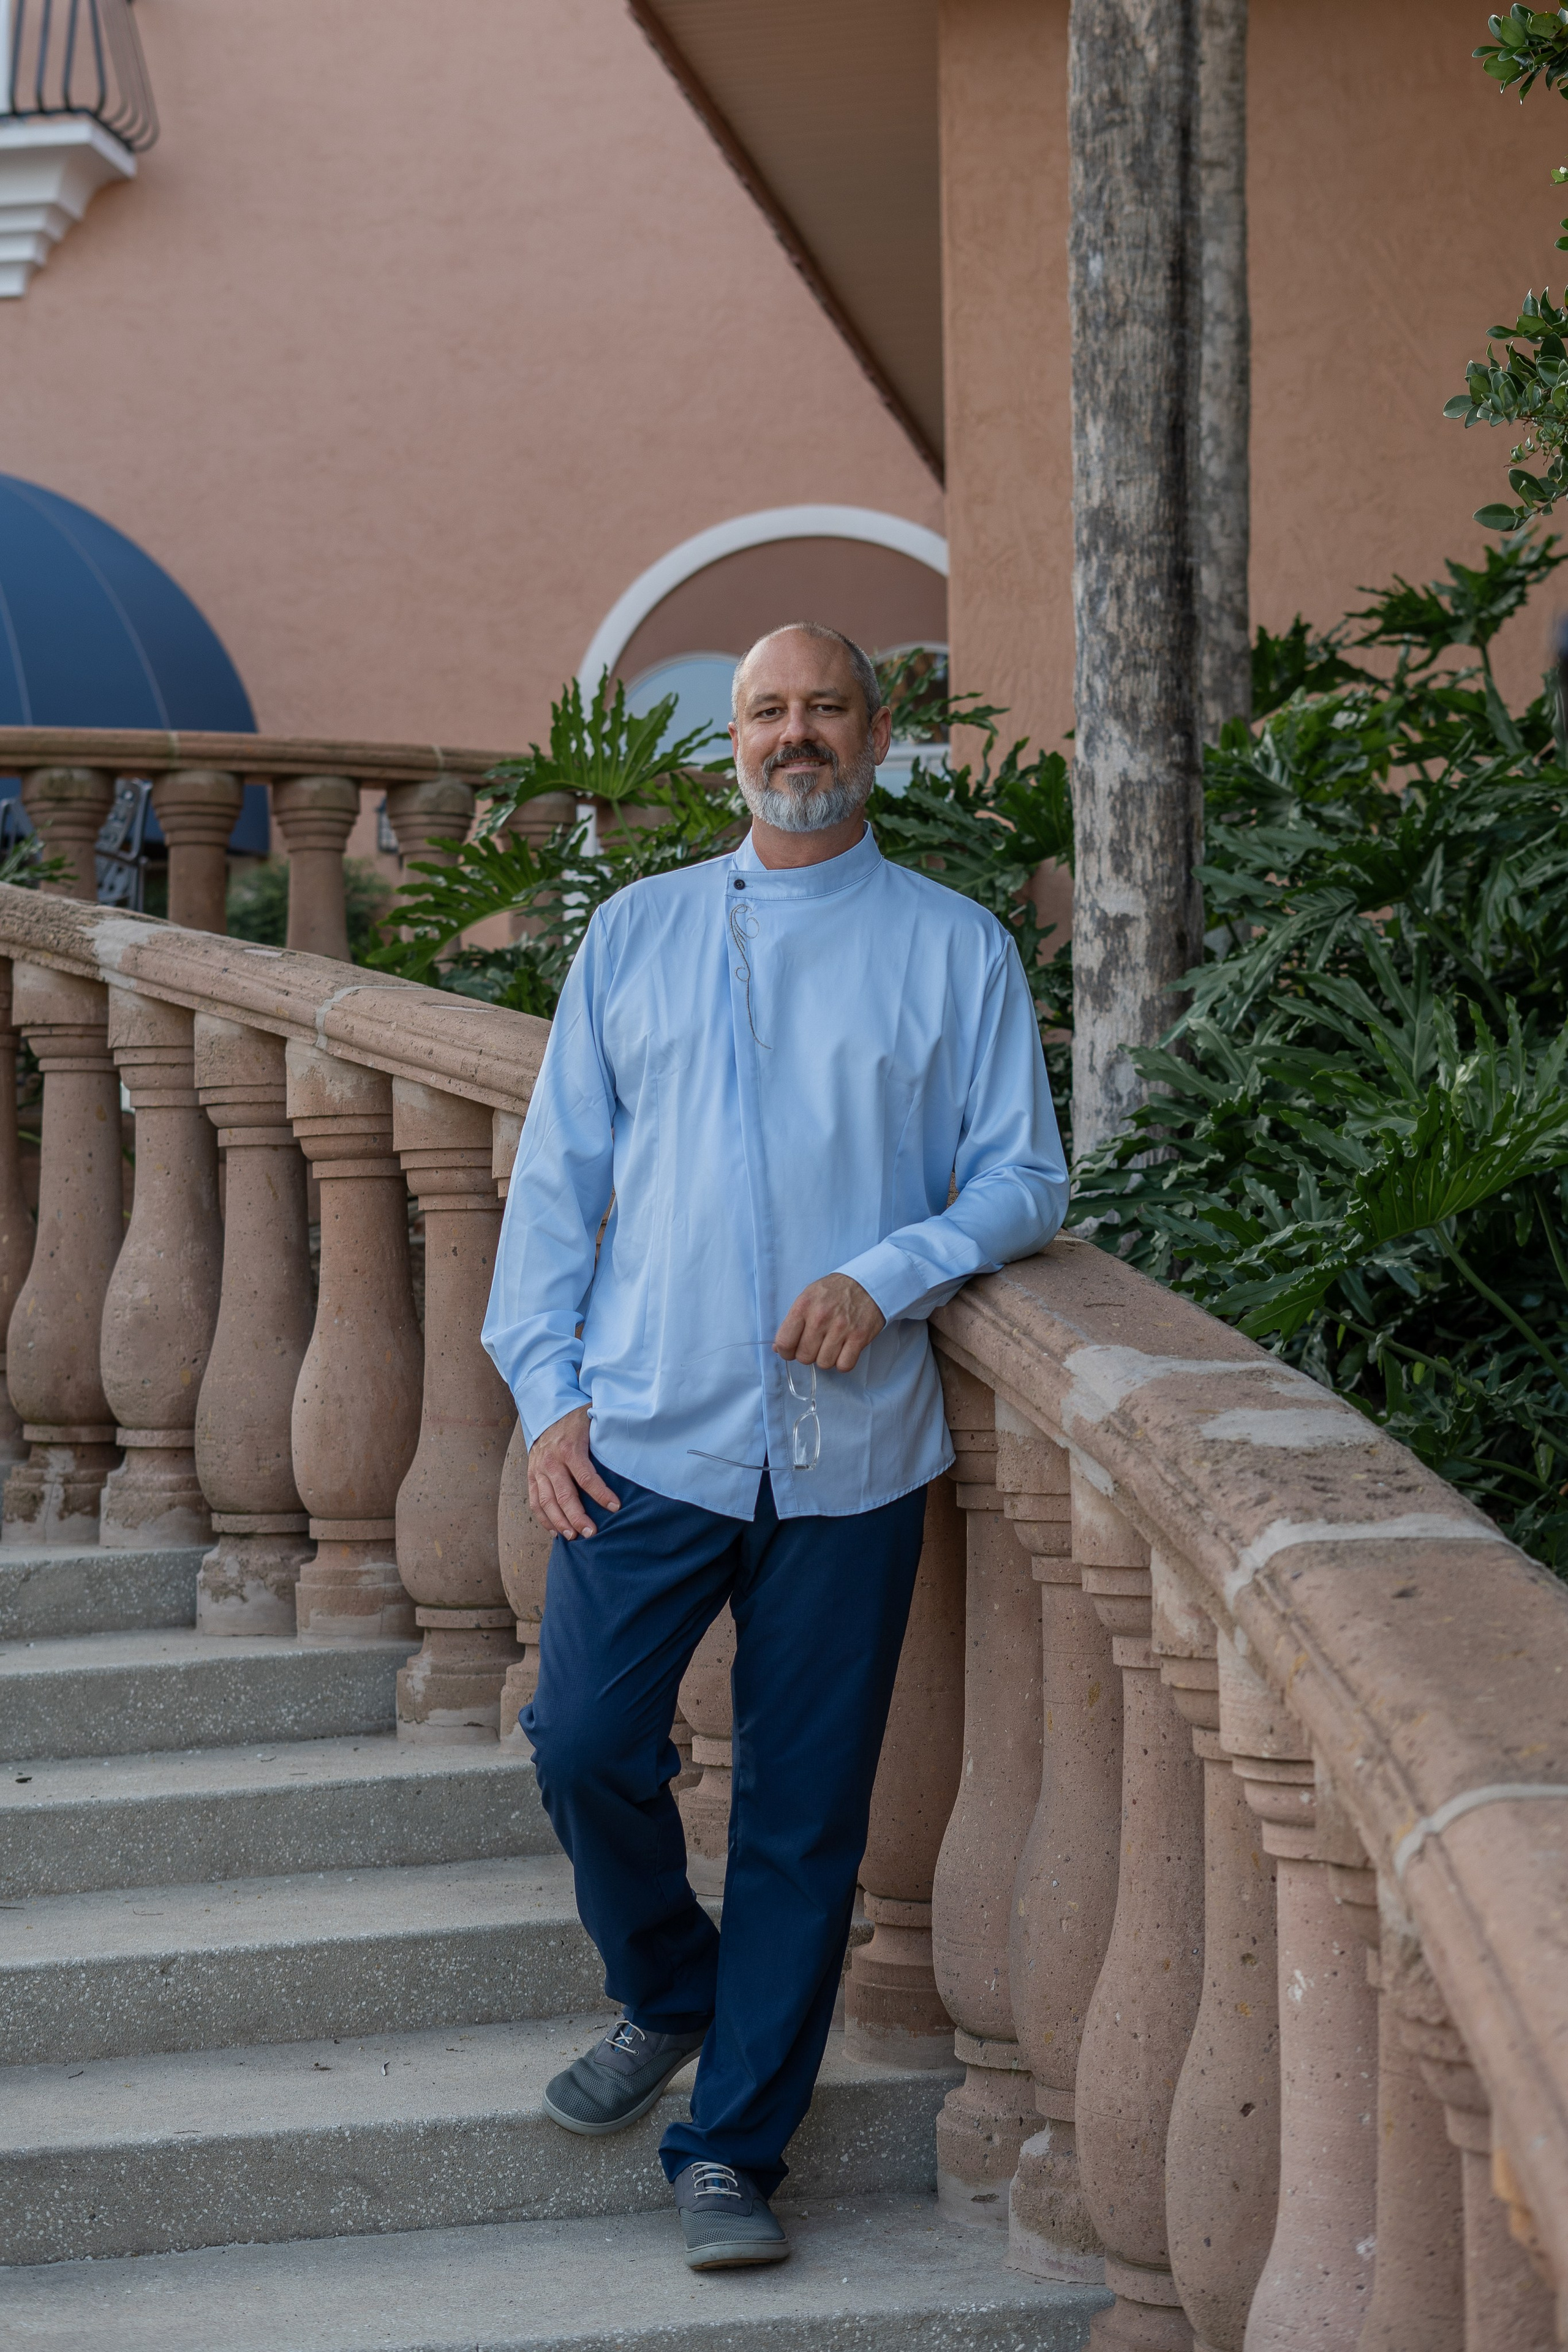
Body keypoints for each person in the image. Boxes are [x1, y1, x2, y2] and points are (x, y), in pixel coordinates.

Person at [482, 621, 1068, 2272]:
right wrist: (548, 1393)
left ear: (877, 737)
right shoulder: (639, 934)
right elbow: (554, 1185)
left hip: (849, 1455)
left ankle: (732, 2150)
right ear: (731, 745)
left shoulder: (952, 947)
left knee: (805, 1821)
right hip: (647, 1432)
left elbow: (1025, 1178)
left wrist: (892, 1275)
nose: (794, 735)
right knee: (582, 1741)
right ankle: (671, 1982)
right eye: (766, 713)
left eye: (824, 709)